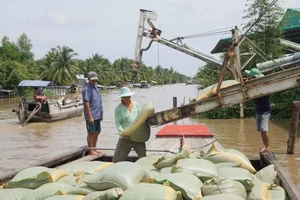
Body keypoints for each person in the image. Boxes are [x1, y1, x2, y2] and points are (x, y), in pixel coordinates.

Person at [112, 87, 146, 162]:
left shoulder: (136, 105)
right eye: (125, 97)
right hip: (125, 138)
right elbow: (118, 123)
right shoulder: (118, 109)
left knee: (143, 158)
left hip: (137, 136)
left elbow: (141, 117)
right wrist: (123, 133)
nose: (127, 98)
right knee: (117, 160)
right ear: (121, 98)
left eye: (128, 96)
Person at [245, 68, 271, 154]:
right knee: (261, 129)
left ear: (254, 78)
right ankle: (264, 146)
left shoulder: (262, 86)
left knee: (264, 129)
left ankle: (268, 147)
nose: (249, 78)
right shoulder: (253, 86)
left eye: (250, 77)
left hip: (265, 110)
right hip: (258, 109)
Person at [82, 71, 103, 155]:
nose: (94, 81)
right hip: (92, 115)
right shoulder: (87, 89)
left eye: (95, 80)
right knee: (91, 132)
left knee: (97, 131)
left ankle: (94, 148)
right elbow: (86, 103)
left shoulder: (96, 88)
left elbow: (99, 101)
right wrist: (90, 117)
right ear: (88, 79)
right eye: (92, 80)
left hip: (98, 114)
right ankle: (91, 150)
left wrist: (101, 114)